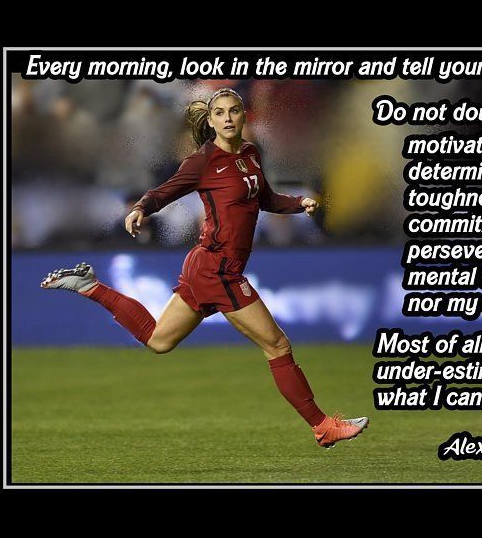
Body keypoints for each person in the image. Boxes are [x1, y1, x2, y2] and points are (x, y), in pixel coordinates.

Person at [41, 87, 368, 449]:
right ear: (211, 121)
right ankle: (322, 426)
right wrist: (141, 209)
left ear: (244, 116)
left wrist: (298, 203)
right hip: (218, 269)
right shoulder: (203, 160)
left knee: (159, 340)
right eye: (220, 113)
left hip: (206, 266)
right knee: (277, 345)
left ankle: (90, 287)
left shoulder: (250, 153)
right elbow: (168, 189)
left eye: (233, 111)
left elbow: (265, 199)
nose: (227, 118)